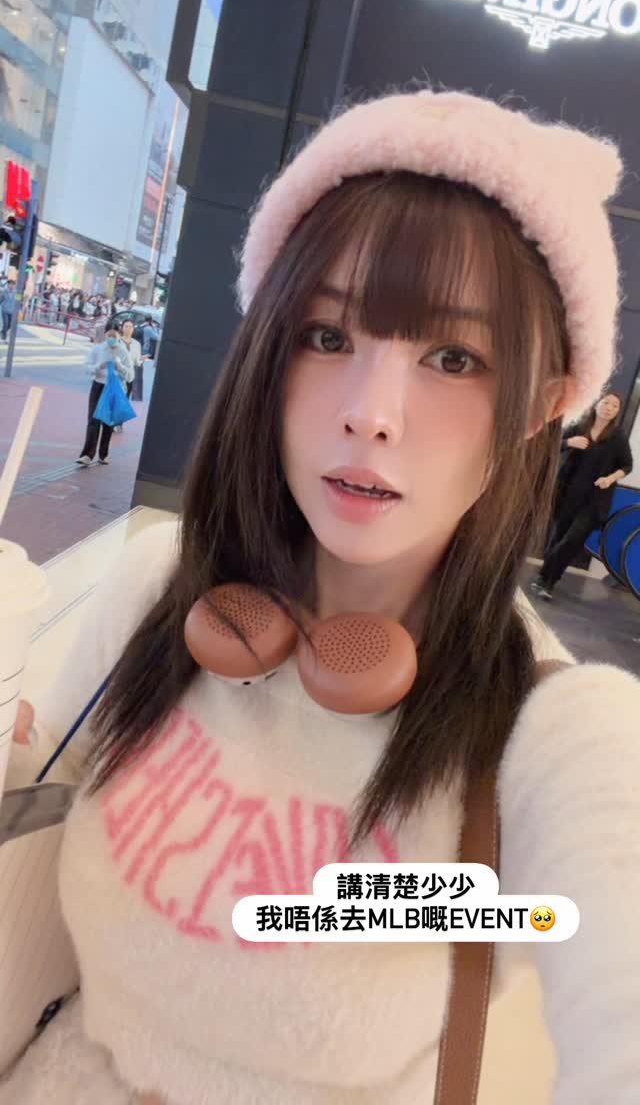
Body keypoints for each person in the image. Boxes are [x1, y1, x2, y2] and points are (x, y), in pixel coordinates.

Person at [7, 91, 640, 1104]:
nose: (370, 415)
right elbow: (48, 792)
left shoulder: (543, 730)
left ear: (541, 402)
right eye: (328, 336)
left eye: (453, 358)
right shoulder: (161, 588)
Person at [532, 391, 633, 599]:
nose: (609, 408)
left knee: (572, 539)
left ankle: (547, 576)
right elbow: (551, 445)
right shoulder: (579, 427)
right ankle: (546, 580)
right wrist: (569, 443)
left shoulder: (618, 437)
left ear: (617, 412)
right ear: (597, 404)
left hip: (595, 499)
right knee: (559, 536)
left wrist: (610, 479)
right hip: (568, 493)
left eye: (615, 406)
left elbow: (627, 465)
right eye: (606, 403)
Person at [76, 320, 134, 466]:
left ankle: (104, 454)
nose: (112, 338)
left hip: (114, 388)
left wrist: (120, 367)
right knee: (93, 420)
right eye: (109, 335)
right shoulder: (98, 349)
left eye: (115, 335)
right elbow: (86, 367)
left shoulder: (123, 352)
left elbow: (130, 376)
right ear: (105, 334)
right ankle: (87, 455)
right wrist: (98, 366)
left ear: (119, 335)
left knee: (108, 422)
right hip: (98, 386)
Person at [118, 316, 143, 399]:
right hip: (117, 375)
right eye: (126, 326)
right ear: (122, 328)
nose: (128, 329)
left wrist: (141, 360)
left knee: (125, 399)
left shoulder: (137, 344)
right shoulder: (117, 341)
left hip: (130, 376)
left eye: (130, 327)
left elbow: (137, 362)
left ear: (133, 329)